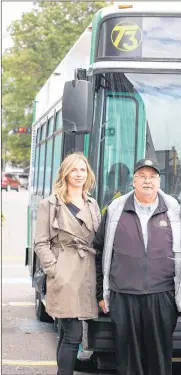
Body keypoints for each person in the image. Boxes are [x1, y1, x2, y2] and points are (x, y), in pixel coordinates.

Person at [94, 158, 181, 375]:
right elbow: (100, 251)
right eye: (142, 176)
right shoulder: (115, 209)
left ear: (159, 181)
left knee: (159, 359)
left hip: (163, 296)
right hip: (123, 296)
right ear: (133, 181)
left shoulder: (174, 209)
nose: (147, 181)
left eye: (152, 177)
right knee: (128, 359)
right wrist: (100, 294)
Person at [34, 152, 101, 375]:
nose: (79, 174)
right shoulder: (50, 204)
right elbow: (40, 243)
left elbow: (98, 238)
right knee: (73, 333)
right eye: (74, 169)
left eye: (83, 170)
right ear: (65, 173)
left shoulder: (92, 203)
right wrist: (54, 269)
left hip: (87, 271)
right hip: (64, 272)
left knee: (65, 332)